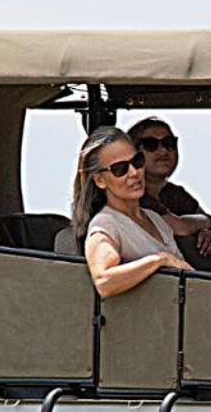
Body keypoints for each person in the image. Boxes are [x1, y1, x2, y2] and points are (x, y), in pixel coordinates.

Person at [73, 126, 190, 298]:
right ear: (99, 180)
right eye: (120, 169)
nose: (134, 173)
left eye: (137, 161)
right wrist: (159, 260)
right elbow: (104, 281)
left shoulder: (155, 218)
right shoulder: (106, 223)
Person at [127, 117, 211, 256]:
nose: (163, 151)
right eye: (151, 144)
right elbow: (180, 228)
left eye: (169, 143)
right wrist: (208, 221)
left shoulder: (175, 193)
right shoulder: (131, 192)